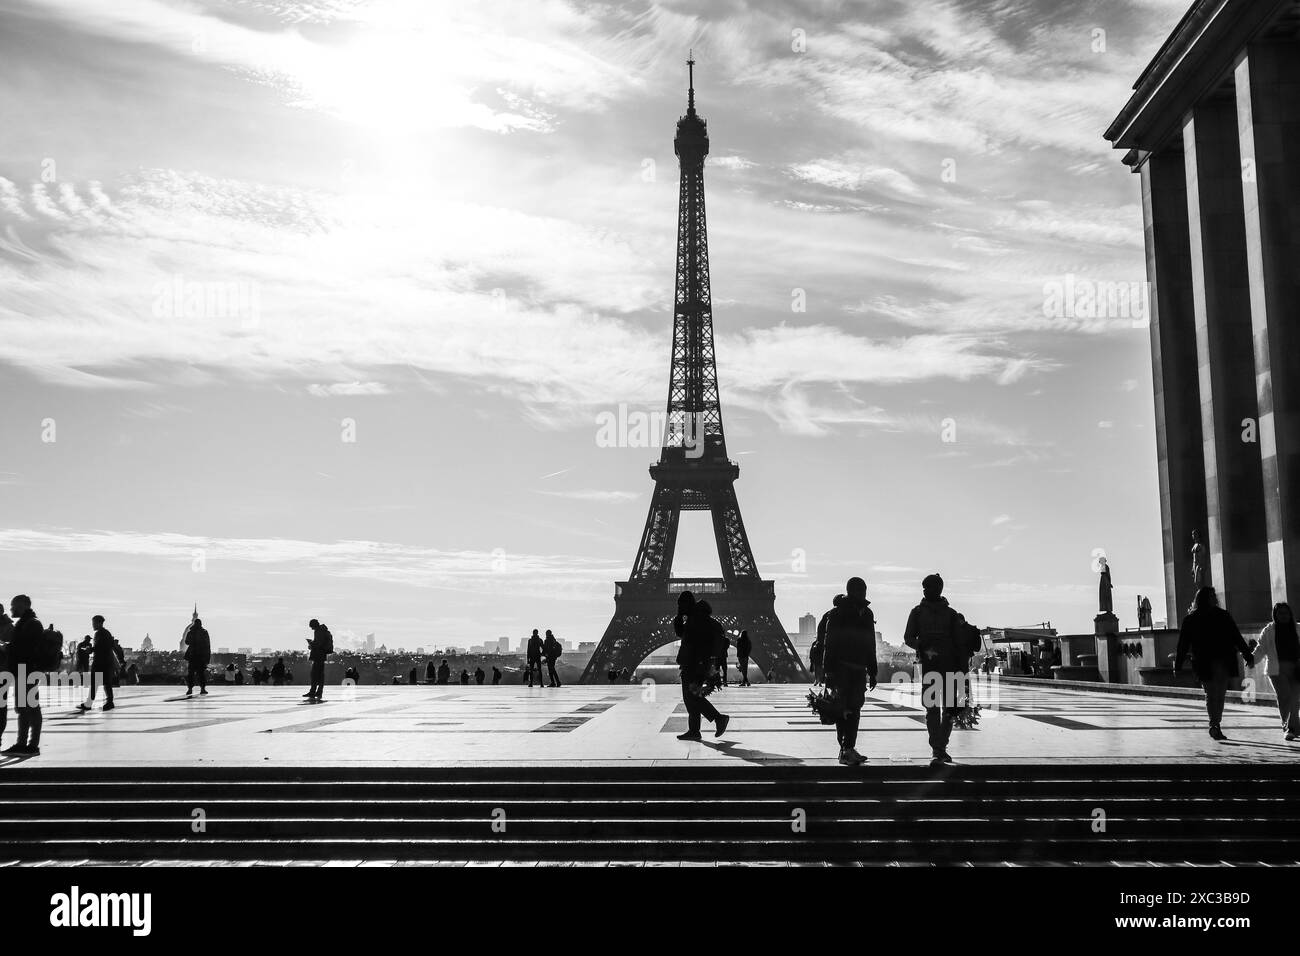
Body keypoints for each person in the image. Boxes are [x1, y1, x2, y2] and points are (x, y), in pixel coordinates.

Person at [903, 574, 976, 768]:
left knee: (950, 709)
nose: (925, 590)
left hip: (950, 665)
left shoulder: (951, 614)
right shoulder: (917, 612)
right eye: (924, 587)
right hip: (929, 666)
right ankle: (937, 749)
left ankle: (941, 747)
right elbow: (908, 637)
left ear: (939, 589)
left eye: (929, 587)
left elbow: (960, 643)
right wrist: (922, 646)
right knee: (932, 709)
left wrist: (963, 671)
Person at [1176, 586, 1253, 740]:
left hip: (1221, 661)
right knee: (1212, 693)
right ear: (1203, 598)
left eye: (1213, 595)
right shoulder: (1192, 619)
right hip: (1206, 662)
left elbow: (1236, 636)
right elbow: (1183, 644)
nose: (1213, 598)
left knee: (1219, 694)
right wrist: (1177, 664)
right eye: (1210, 596)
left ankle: (1215, 723)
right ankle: (1214, 724)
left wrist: (1247, 654)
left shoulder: (1222, 615)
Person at [823, 578, 877, 766]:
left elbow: (871, 644)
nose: (862, 593)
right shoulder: (840, 614)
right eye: (859, 590)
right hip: (844, 669)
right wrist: (829, 672)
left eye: (863, 590)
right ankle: (846, 748)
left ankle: (847, 748)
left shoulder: (863, 613)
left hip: (854, 668)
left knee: (852, 708)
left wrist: (873, 670)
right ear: (851, 591)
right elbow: (830, 644)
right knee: (845, 709)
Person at [673, 591, 730, 741]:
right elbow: (682, 634)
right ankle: (694, 730)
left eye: (680, 604)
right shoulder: (696, 617)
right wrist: (679, 617)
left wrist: (700, 665)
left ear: (687, 603)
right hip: (696, 663)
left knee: (691, 697)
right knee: (691, 697)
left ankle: (718, 718)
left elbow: (696, 642)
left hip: (694, 664)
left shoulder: (696, 619)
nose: (679, 606)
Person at [4, 595, 45, 755]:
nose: (11, 608)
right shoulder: (26, 623)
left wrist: (6, 648)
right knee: (23, 708)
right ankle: (22, 744)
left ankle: (32, 745)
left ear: (23, 606)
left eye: (13, 606)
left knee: (32, 708)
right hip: (23, 670)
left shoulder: (32, 624)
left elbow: (24, 649)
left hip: (28, 671)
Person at [1254, 602, 1300, 741]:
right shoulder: (1269, 630)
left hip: (1297, 669)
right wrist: (1251, 659)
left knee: (1294, 699)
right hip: (1276, 669)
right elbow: (1260, 648)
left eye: (1286, 613)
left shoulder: (1298, 628)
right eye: (1280, 613)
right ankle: (1287, 726)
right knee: (1284, 695)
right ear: (1275, 615)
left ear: (1290, 614)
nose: (1283, 616)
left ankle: (1292, 727)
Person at [82, 617, 121, 712]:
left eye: (94, 623)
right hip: (106, 662)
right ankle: (108, 702)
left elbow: (99, 647)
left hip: (100, 662)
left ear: (99, 623)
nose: (93, 625)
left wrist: (90, 650)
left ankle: (90, 703)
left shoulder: (99, 633)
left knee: (96, 683)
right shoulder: (106, 633)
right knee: (106, 683)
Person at [813, 595, 844, 684]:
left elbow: (820, 631)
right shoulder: (850, 613)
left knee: (832, 671)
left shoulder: (828, 614)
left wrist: (820, 644)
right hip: (843, 650)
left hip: (830, 648)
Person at [305, 619, 333, 702]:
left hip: (318, 655)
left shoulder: (318, 631)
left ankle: (313, 692)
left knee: (314, 674)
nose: (311, 628)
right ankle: (319, 692)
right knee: (320, 674)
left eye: (311, 626)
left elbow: (319, 644)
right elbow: (321, 642)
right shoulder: (323, 630)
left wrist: (311, 644)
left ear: (314, 625)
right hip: (322, 655)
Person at [184, 617, 211, 697]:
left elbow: (186, 642)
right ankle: (202, 689)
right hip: (201, 656)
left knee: (191, 673)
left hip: (192, 656)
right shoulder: (204, 632)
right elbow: (207, 645)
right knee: (201, 673)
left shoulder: (191, 632)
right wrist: (207, 657)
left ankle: (190, 689)